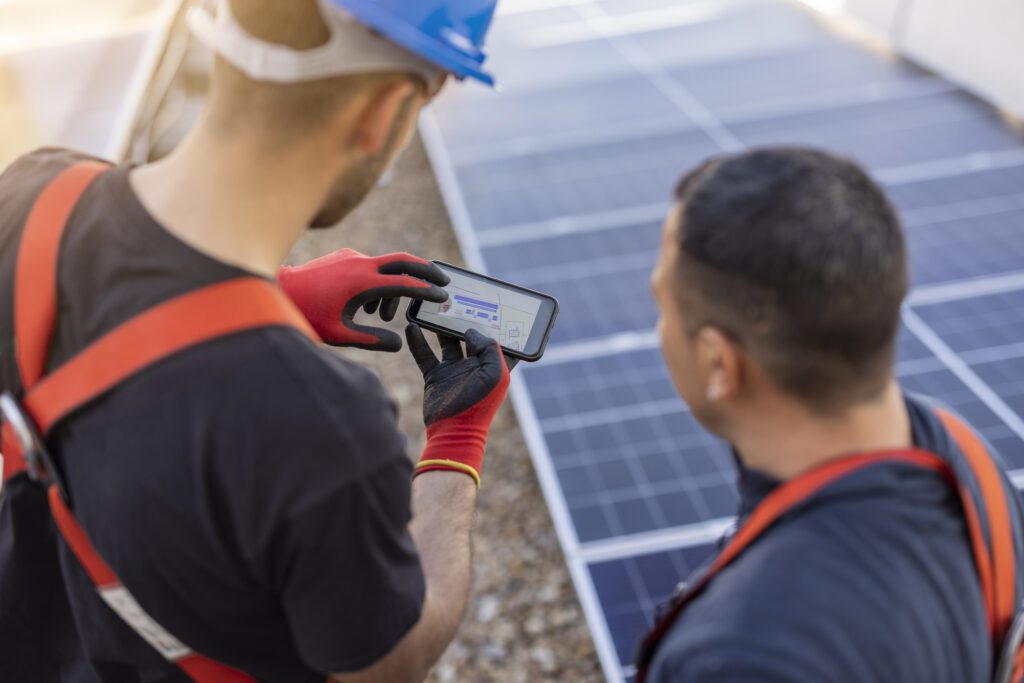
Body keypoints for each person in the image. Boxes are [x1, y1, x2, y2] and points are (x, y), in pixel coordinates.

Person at [0, 0, 509, 681]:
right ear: (385, 110)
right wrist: (456, 446)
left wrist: (276, 292)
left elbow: (104, 315)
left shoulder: (36, 195)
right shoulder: (319, 426)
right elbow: (387, 661)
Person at [639, 147, 1024, 682]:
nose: (658, 331)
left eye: (662, 304)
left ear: (718, 362)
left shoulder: (739, 652)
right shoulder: (966, 456)